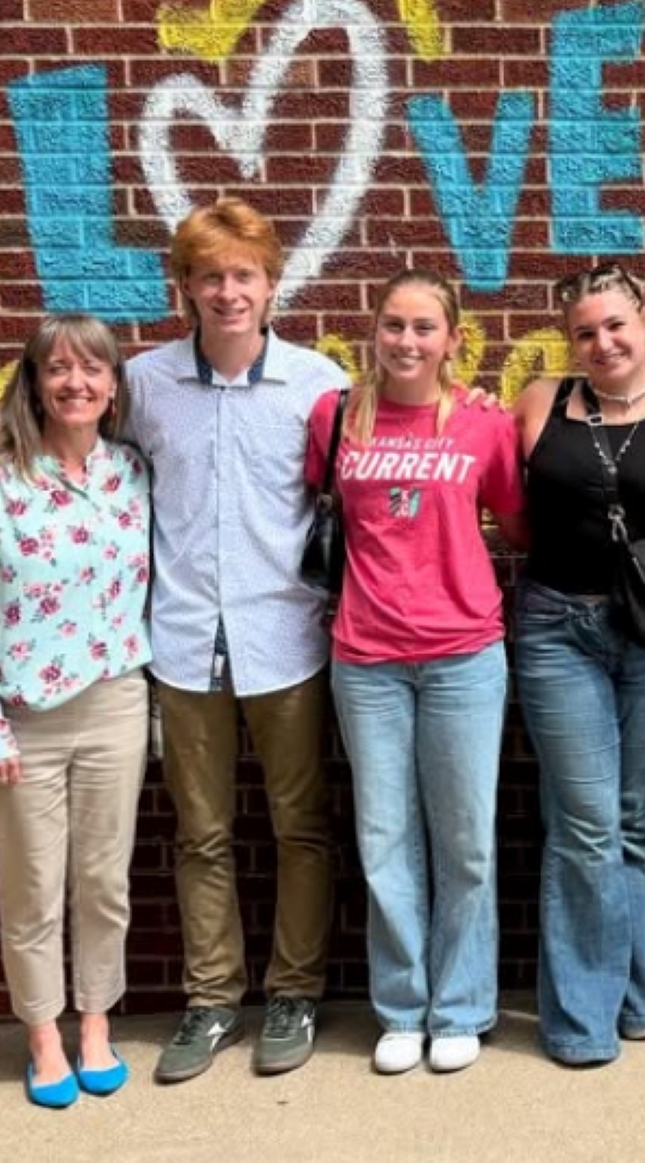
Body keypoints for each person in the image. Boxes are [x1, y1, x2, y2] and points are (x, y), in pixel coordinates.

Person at [126, 197, 348, 1083]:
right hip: (182, 644)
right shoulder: (142, 385)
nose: (228, 291)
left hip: (286, 638)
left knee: (301, 825)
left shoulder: (317, 383)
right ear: (184, 285)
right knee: (200, 832)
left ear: (270, 284)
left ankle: (294, 989)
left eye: (243, 275)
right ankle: (212, 998)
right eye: (210, 275)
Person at [306, 270, 525, 1075]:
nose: (407, 341)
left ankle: (461, 1005)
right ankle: (401, 1006)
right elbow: (312, 506)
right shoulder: (336, 417)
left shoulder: (482, 424)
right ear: (375, 331)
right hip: (366, 657)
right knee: (384, 836)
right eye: (394, 324)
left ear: (453, 338)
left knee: (466, 837)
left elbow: (513, 517)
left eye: (424, 327)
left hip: (464, 651)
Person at [512, 263, 645, 1065]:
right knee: (588, 823)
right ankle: (583, 1021)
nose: (603, 342)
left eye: (616, 325)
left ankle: (633, 994)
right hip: (558, 628)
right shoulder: (540, 403)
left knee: (625, 819)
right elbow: (514, 516)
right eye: (585, 331)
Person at [0, 317, 151, 1109]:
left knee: (102, 879)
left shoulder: (131, 471)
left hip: (118, 700)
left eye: (93, 369)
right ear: (33, 383)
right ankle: (43, 1036)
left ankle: (95, 1022)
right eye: (58, 369)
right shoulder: (4, 477)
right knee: (31, 886)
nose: (76, 383)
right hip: (25, 714)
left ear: (113, 385)